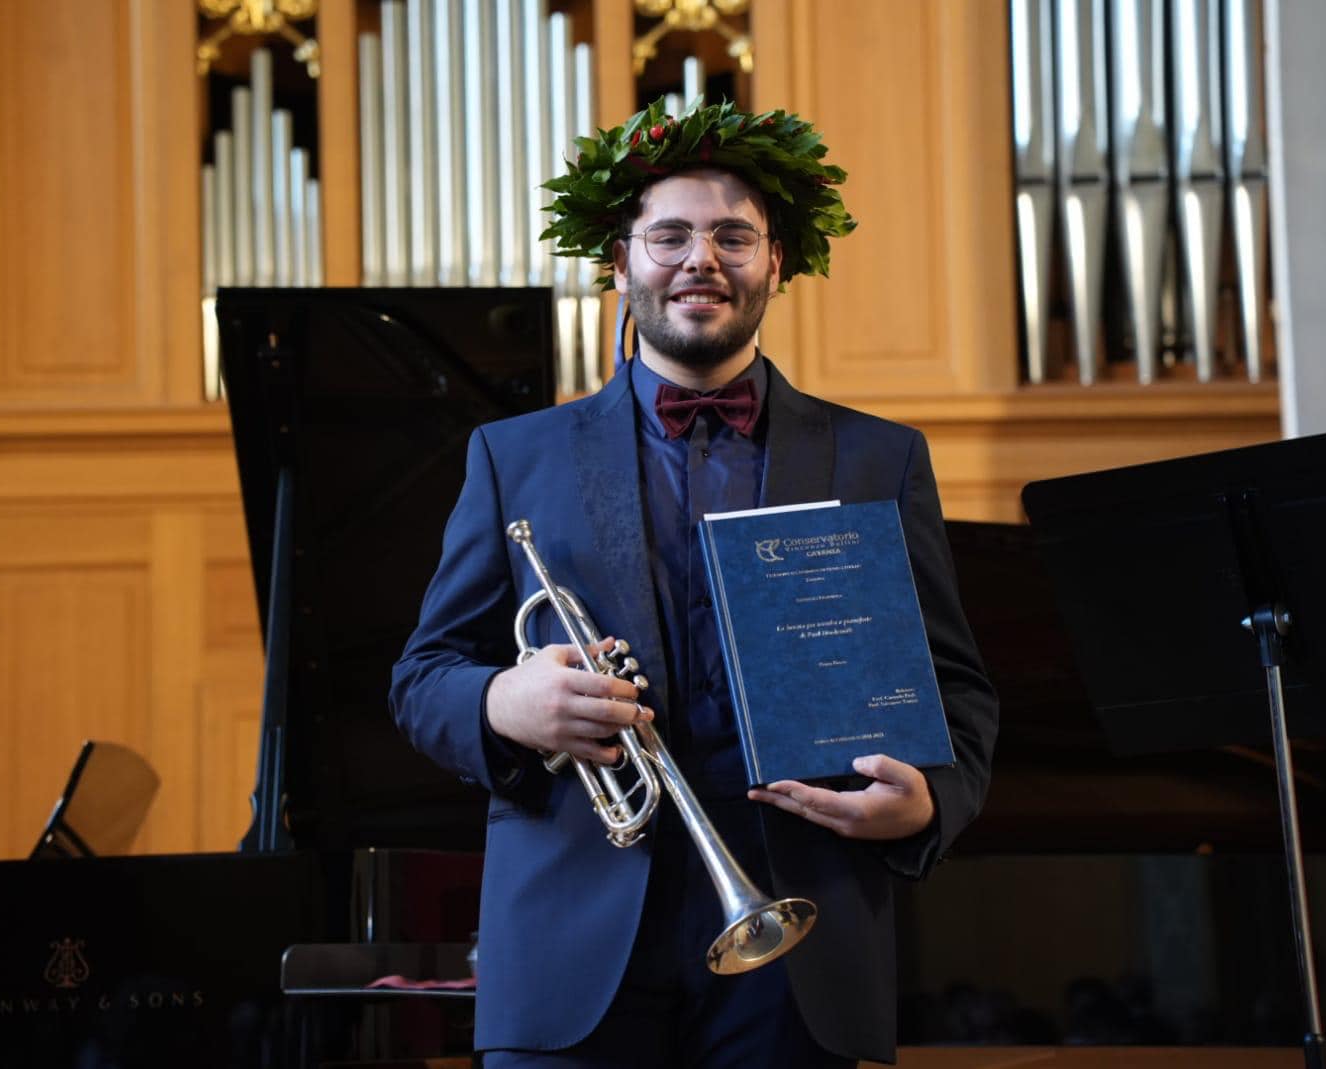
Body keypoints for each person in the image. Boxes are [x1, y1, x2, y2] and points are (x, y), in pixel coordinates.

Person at [391, 100, 997, 1067]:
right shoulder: (513, 455)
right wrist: (509, 699)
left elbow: (958, 688)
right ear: (620, 262)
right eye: (667, 235)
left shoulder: (880, 457)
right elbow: (422, 677)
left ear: (780, 264)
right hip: (570, 946)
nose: (699, 258)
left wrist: (929, 800)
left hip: (803, 945)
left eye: (733, 236)